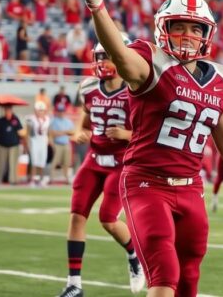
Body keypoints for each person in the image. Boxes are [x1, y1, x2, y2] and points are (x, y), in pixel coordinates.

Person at [66, 0, 223, 297]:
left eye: (196, 28)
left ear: (208, 34)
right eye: (179, 26)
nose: (188, 34)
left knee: (190, 279)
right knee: (164, 276)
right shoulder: (150, 62)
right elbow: (119, 54)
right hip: (147, 184)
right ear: (164, 28)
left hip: (192, 189)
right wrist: (97, 6)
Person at [58, 40, 145, 297]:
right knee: (76, 215)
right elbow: (85, 119)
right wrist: (79, 132)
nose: (102, 61)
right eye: (100, 56)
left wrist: (125, 134)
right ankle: (74, 283)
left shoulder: (135, 89)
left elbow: (146, 132)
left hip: (120, 162)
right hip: (94, 160)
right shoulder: (88, 87)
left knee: (108, 219)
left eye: (108, 56)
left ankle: (134, 255)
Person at [26, 101, 51, 187]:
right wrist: (27, 143)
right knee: (34, 161)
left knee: (42, 161)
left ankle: (40, 180)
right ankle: (33, 180)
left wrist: (49, 141)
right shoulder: (31, 119)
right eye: (38, 110)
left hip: (43, 141)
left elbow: (48, 132)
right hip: (34, 141)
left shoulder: (47, 119)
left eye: (41, 110)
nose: (40, 112)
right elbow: (28, 132)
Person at [49, 102, 74, 184]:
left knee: (66, 163)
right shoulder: (54, 121)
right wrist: (65, 132)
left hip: (66, 143)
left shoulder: (68, 121)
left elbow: (72, 132)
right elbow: (52, 133)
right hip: (57, 144)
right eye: (59, 111)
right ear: (57, 111)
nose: (61, 112)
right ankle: (51, 178)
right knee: (55, 162)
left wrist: (61, 133)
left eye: (62, 111)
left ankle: (66, 178)